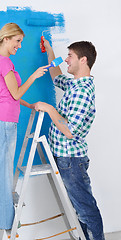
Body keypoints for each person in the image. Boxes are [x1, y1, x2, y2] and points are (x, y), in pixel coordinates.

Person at [34, 37, 105, 240]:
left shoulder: (82, 91)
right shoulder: (75, 85)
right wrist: (49, 51)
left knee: (85, 210)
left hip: (71, 161)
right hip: (65, 158)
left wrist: (48, 108)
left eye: (70, 56)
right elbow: (57, 77)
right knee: (79, 209)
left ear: (83, 60)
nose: (66, 60)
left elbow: (69, 131)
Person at [0, 23, 49, 230]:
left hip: (6, 120)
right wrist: (34, 76)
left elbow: (9, 95)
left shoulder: (4, 62)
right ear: (6, 38)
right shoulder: (4, 63)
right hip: (5, 123)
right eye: (17, 41)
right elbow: (16, 93)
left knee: (4, 171)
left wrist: (29, 105)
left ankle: (5, 219)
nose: (19, 45)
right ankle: (6, 221)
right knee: (3, 173)